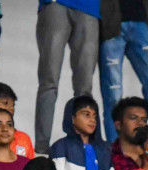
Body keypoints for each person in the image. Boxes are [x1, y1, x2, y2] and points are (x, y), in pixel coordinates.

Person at [33, 0, 99, 157]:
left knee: (84, 89)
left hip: (90, 6)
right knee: (49, 81)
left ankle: (83, 146)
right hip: (56, 4)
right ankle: (41, 149)